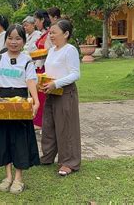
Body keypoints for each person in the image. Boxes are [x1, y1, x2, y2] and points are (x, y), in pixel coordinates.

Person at [0, 24, 40, 195]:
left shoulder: (27, 59)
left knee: (19, 139)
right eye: (10, 38)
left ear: (23, 41)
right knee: (4, 137)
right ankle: (7, 176)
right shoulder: (0, 58)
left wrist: (36, 101)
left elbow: (30, 81)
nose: (13, 42)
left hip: (20, 102)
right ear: (6, 39)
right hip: (1, 101)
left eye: (18, 38)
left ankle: (18, 178)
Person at [40, 19, 81, 176]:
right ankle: (47, 156)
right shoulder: (52, 51)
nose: (50, 35)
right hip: (51, 91)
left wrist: (56, 83)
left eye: (54, 33)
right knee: (49, 125)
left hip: (65, 92)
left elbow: (75, 74)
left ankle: (69, 162)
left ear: (66, 34)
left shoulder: (69, 50)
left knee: (66, 127)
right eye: (50, 32)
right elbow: (51, 70)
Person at [33, 9, 53, 129]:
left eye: (36, 20)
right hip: (38, 65)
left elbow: (50, 51)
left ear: (42, 20)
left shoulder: (50, 34)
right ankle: (38, 121)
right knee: (38, 93)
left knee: (42, 95)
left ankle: (42, 122)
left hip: (45, 65)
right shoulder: (42, 33)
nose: (35, 23)